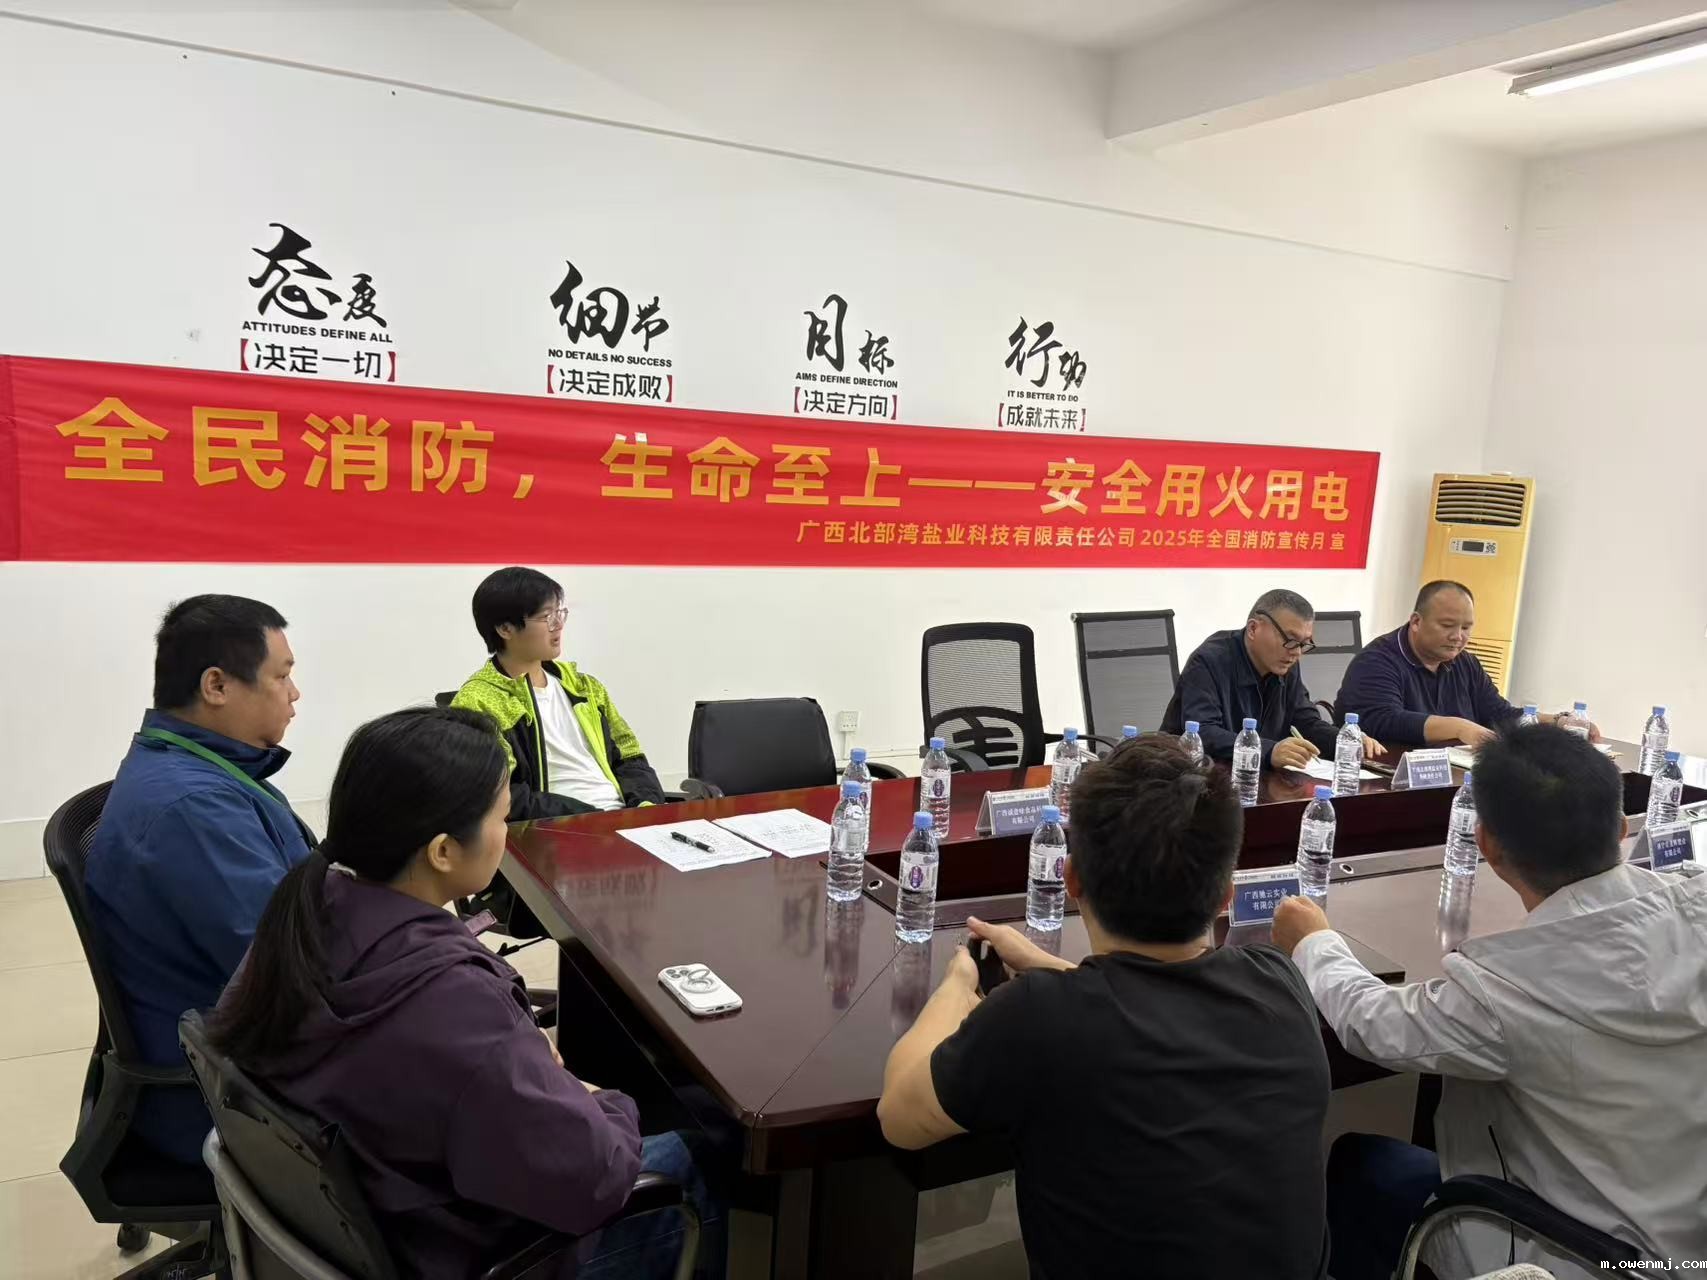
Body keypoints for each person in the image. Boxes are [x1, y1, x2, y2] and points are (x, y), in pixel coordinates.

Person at [209, 707, 721, 1280]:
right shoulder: (457, 1006)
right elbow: (596, 1181)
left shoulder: (303, 911)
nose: (509, 831)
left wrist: (525, 1066)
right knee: (706, 1156)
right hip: (475, 1254)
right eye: (502, 817)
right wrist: (602, 1099)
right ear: (443, 851)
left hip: (372, 1214)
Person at [877, 736, 1332, 1279]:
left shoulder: (1040, 1017)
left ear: (1070, 878)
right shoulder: (1279, 981)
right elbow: (1155, 1006)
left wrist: (959, 983)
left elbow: (898, 1116)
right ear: (1225, 895)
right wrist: (1050, 967)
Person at [1272, 725, 1707, 1280]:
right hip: (1687, 1242)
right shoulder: (1694, 914)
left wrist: (1313, 941)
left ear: (1486, 844)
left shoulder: (1508, 986)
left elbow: (1372, 1025)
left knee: (1363, 1164)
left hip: (1585, 1255)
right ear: (1622, 829)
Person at [85, 594, 311, 1164]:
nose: (294, 693)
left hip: (233, 1052)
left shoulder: (200, 768)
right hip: (224, 1096)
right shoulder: (194, 808)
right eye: (281, 676)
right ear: (216, 685)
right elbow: (292, 976)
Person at [452, 567, 663, 821]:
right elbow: (497, 794)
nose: (558, 625)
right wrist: (588, 816)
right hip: (557, 827)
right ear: (505, 628)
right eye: (546, 617)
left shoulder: (584, 687)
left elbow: (630, 756)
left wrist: (646, 805)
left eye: (560, 613)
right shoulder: (477, 702)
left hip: (620, 820)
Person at [1336, 580, 1599, 750]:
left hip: (1456, 779)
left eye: (1466, 628)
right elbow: (1385, 720)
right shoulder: (1377, 660)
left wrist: (1557, 721)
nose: (1458, 637)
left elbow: (1499, 715)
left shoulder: (1465, 662)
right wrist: (1460, 727)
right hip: (1391, 782)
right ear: (1416, 622)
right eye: (1447, 626)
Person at [1161, 588, 1384, 770]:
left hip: (1258, 777)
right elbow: (1202, 732)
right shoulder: (1209, 661)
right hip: (1194, 779)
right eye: (1290, 640)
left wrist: (1344, 740)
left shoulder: (1286, 661)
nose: (1297, 653)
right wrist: (1269, 751)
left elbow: (1305, 721)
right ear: (1253, 628)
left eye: (1304, 644)